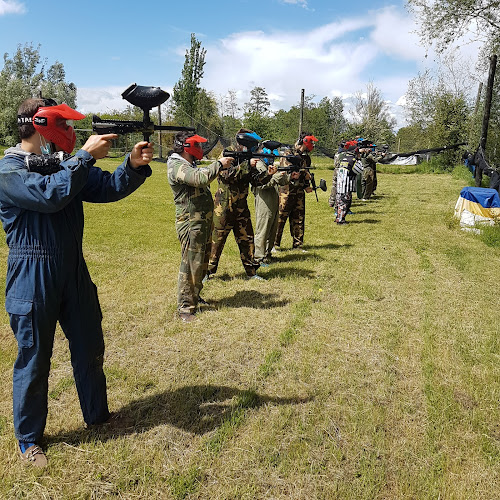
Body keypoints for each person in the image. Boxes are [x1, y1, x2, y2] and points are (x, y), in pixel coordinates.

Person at [0, 97, 154, 467]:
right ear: (43, 125)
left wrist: (131, 166)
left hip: (73, 271)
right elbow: (50, 195)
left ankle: (97, 416)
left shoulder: (63, 165)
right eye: (65, 126)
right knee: (35, 359)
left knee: (89, 345)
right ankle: (29, 439)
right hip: (32, 274)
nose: (71, 133)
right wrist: (84, 156)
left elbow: (105, 188)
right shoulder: (9, 170)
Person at [167, 131, 233, 322]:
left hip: (201, 222)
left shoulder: (188, 164)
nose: (200, 149)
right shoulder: (176, 165)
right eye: (197, 145)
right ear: (186, 147)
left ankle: (195, 296)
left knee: (201, 263)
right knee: (190, 264)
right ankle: (185, 308)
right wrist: (219, 164)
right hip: (190, 223)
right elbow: (199, 178)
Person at [207, 129, 269, 280]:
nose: (255, 149)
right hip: (224, 208)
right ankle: (206, 272)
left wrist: (268, 174)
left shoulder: (249, 158)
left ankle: (251, 272)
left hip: (241, 207)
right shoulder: (227, 154)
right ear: (245, 144)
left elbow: (255, 181)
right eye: (253, 146)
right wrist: (247, 165)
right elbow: (226, 175)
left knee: (247, 240)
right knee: (216, 241)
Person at [274, 132, 317, 251]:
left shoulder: (306, 157)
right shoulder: (288, 153)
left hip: (299, 192)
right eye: (311, 142)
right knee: (280, 218)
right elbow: (290, 171)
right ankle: (274, 244)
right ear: (303, 141)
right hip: (286, 191)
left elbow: (304, 174)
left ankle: (298, 244)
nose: (312, 145)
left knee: (298, 218)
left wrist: (307, 184)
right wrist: (304, 173)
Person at [252, 146, 288, 265]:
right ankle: (259, 257)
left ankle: (267, 255)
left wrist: (287, 176)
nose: (273, 160)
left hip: (273, 199)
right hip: (264, 201)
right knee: (263, 230)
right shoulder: (259, 166)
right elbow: (261, 185)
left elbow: (280, 182)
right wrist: (276, 176)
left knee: (272, 229)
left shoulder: (268, 165)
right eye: (271, 157)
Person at [335, 145, 358, 224]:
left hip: (340, 183)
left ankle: (338, 217)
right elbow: (359, 169)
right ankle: (341, 220)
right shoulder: (353, 159)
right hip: (346, 183)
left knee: (339, 201)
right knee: (345, 202)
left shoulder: (344, 158)